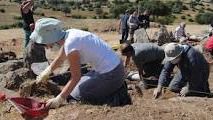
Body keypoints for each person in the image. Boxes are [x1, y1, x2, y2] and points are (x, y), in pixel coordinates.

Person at [30, 18, 130, 108]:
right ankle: (113, 87)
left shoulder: (71, 45)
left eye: (44, 43)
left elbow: (75, 77)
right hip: (110, 68)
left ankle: (117, 96)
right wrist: (46, 72)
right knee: (73, 90)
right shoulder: (69, 33)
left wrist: (59, 99)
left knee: (77, 95)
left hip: (112, 74)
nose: (46, 47)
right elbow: (60, 58)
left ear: (49, 38)